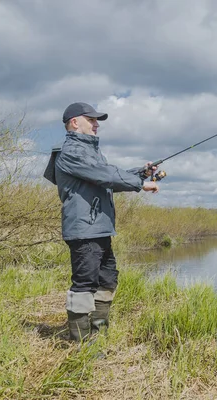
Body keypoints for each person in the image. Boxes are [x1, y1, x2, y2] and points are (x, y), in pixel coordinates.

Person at [43, 102, 159, 342]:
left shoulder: (91, 154)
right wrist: (140, 184)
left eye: (97, 121)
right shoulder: (71, 152)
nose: (97, 125)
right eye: (92, 120)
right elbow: (105, 175)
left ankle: (97, 333)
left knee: (107, 280)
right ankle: (82, 343)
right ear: (75, 122)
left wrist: (140, 172)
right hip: (84, 230)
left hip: (100, 227)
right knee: (84, 284)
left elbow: (106, 174)